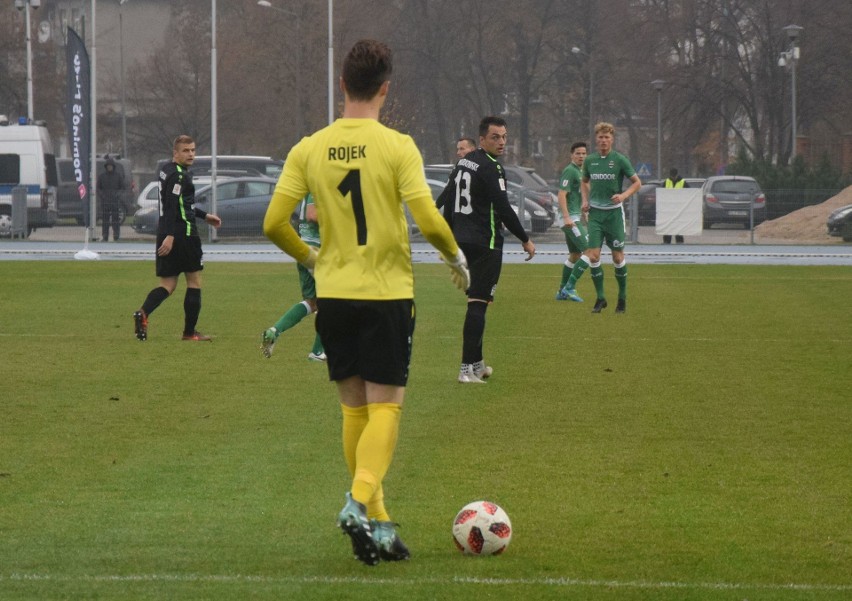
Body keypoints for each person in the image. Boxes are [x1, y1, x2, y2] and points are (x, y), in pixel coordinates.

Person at [262, 39, 469, 566]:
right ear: (385, 88)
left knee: (354, 408)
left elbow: (272, 223)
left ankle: (379, 524)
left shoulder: (309, 147)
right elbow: (427, 219)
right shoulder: (397, 146)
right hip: (385, 294)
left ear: (342, 85)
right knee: (387, 408)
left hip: (333, 295)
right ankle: (357, 501)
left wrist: (312, 260)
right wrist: (455, 257)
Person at [437, 115, 536, 384]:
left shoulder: (463, 163)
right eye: (495, 137)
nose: (502, 142)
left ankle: (478, 364)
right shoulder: (492, 167)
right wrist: (525, 238)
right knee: (478, 305)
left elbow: (444, 199)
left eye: (504, 136)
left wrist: (446, 238)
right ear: (482, 139)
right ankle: (466, 369)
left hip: (462, 241)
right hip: (485, 243)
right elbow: (503, 208)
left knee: (478, 304)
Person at [132, 135, 222, 341]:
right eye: (186, 151)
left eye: (193, 150)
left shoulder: (165, 169)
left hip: (165, 231)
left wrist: (204, 216)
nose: (191, 154)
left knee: (168, 285)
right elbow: (173, 204)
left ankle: (143, 313)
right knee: (194, 281)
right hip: (183, 235)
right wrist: (172, 236)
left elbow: (182, 204)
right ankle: (189, 333)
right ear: (175, 153)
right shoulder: (180, 177)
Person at [559, 122, 641, 314]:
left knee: (617, 257)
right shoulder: (590, 161)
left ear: (612, 139)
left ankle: (622, 298)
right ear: (596, 139)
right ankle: (599, 297)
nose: (603, 140)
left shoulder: (620, 160)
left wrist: (623, 196)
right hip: (595, 214)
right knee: (593, 255)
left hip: (614, 214)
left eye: (607, 137)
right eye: (600, 137)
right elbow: (584, 181)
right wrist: (585, 201)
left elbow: (637, 183)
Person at [260, 192, 325, 361]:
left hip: (305, 247)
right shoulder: (316, 183)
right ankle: (318, 352)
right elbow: (313, 215)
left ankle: (274, 331)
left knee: (312, 303)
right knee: (331, 300)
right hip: (316, 250)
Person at [555, 141, 589, 299]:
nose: (581, 156)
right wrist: (567, 216)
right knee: (589, 252)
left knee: (575, 255)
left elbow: (577, 195)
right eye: (578, 153)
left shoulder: (579, 171)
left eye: (583, 153)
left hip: (573, 216)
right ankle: (569, 287)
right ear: (572, 155)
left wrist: (584, 210)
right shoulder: (570, 171)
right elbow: (562, 194)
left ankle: (561, 291)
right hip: (569, 219)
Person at [98, 157, 124, 241]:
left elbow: (122, 188)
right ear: (106, 167)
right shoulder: (102, 176)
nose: (109, 167)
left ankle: (116, 235)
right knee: (105, 220)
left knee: (115, 220)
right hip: (105, 201)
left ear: (113, 166)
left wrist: (117, 195)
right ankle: (105, 236)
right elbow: (98, 188)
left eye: (111, 166)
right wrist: (102, 196)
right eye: (108, 166)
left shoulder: (118, 176)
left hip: (115, 201)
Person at [662, 167, 686, 244]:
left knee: (678, 226)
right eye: (672, 176)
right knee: (668, 225)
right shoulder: (666, 182)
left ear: (677, 175)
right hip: (668, 208)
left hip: (679, 208)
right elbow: (662, 194)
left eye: (674, 176)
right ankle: (666, 241)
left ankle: (679, 241)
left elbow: (689, 193)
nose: (673, 177)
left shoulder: (683, 182)